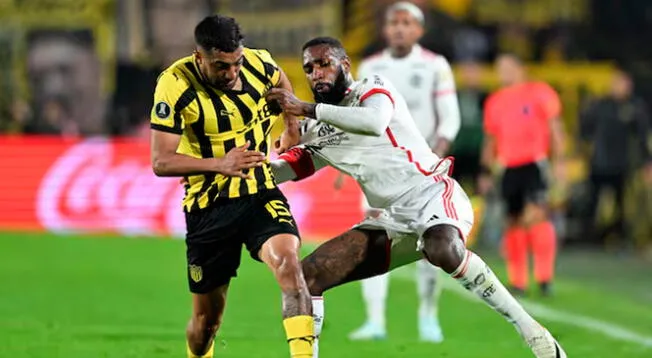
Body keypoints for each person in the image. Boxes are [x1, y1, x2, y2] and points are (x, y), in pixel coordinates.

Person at [266, 36, 566, 358]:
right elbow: (290, 169)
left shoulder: (372, 89)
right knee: (308, 274)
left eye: (324, 63)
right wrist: (240, 168)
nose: (316, 73)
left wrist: (305, 108)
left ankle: (533, 333)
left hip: (432, 194)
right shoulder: (316, 128)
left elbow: (374, 122)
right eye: (309, 68)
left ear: (345, 65)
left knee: (442, 248)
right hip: (393, 219)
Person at [149, 15, 313, 358]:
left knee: (290, 264)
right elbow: (161, 161)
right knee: (206, 323)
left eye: (236, 62)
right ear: (200, 57)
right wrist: (220, 164)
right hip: (208, 206)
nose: (232, 72)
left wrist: (291, 124)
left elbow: (281, 80)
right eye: (221, 66)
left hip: (259, 191)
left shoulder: (257, 62)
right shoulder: (175, 84)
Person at [336, 1, 461, 342]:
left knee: (431, 243)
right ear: (385, 28)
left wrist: (434, 157)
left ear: (419, 30)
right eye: (394, 22)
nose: (400, 28)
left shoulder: (435, 65)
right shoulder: (372, 65)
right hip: (380, 172)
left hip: (423, 174)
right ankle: (375, 321)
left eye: (407, 23)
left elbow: (450, 118)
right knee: (374, 242)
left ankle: (428, 318)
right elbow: (357, 119)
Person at [480, 54, 566, 297]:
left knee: (537, 216)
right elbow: (491, 139)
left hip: (534, 163)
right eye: (499, 69)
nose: (503, 73)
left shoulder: (540, 92)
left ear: (521, 68)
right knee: (514, 221)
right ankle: (518, 281)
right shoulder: (494, 101)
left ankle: (544, 277)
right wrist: (486, 170)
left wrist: (560, 160)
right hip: (508, 166)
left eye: (507, 67)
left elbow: (555, 127)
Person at [579, 67, 652, 248]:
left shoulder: (635, 107)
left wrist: (647, 162)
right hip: (599, 163)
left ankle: (620, 238)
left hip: (623, 165)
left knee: (622, 205)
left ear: (629, 85)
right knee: (592, 202)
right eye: (615, 83)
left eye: (621, 83)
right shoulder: (600, 105)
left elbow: (643, 137)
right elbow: (585, 128)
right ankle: (589, 238)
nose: (617, 87)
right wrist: (584, 148)